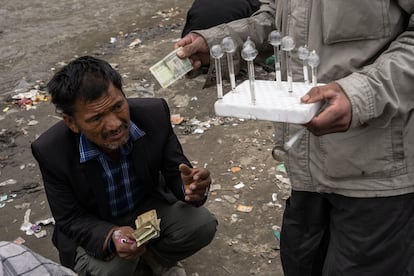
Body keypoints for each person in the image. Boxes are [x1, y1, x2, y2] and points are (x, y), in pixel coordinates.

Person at [174, 1, 414, 275]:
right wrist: (219, 40)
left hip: (376, 172)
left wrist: (361, 94)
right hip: (305, 167)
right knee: (300, 261)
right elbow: (277, 17)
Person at [31, 55, 218, 276]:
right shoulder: (51, 151)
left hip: (146, 207)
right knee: (116, 267)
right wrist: (111, 237)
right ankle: (132, 262)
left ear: (123, 95)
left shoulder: (154, 114)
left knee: (202, 224)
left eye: (118, 106)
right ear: (72, 122)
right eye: (96, 118)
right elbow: (70, 219)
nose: (114, 124)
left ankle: (153, 259)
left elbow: (175, 171)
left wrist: (191, 188)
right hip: (97, 224)